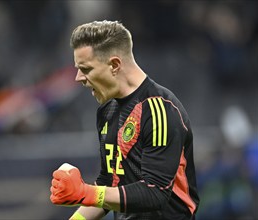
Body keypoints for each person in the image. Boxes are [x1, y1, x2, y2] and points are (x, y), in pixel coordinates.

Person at [50, 20, 200, 220]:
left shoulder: (158, 109)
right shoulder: (107, 111)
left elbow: (155, 193)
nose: (78, 78)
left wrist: (86, 192)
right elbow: (109, 185)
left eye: (85, 69)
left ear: (114, 65)